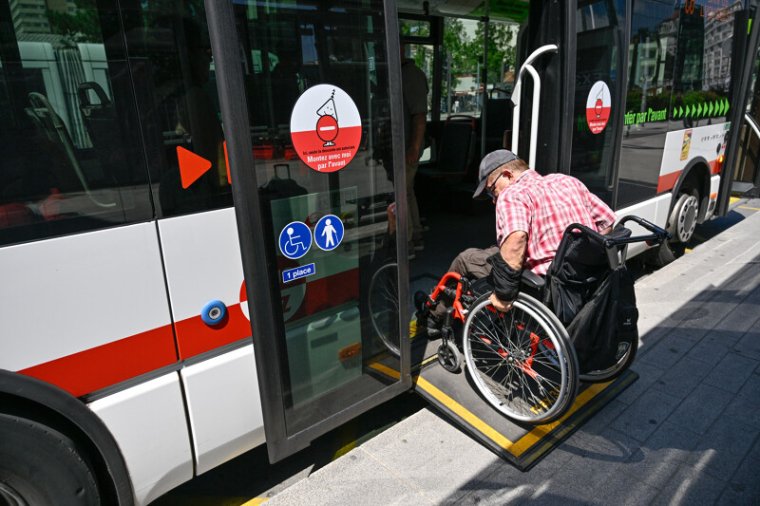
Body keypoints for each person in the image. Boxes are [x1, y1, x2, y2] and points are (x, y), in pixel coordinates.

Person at [427, 149, 616, 332]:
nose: (493, 199)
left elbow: (517, 238)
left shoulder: (512, 194)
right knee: (494, 250)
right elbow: (607, 221)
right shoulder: (566, 180)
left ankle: (433, 317)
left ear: (507, 175)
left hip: (544, 283)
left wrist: (503, 295)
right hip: (581, 278)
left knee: (464, 259)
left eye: (491, 190)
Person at [401, 43, 428, 253]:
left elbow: (419, 116)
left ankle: (407, 241)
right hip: (405, 146)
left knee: (400, 191)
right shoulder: (404, 73)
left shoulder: (410, 76)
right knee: (407, 191)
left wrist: (414, 148)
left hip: (407, 147)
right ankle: (415, 233)